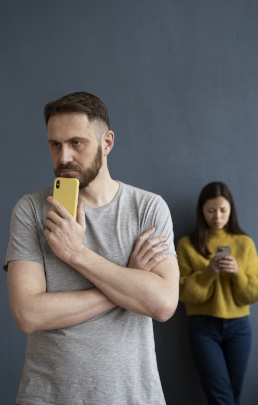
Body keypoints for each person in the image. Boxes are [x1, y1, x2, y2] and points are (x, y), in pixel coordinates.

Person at [4, 91, 180, 405]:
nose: (63, 158)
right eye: (55, 145)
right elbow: (27, 314)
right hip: (48, 397)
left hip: (132, 396)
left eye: (76, 143)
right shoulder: (30, 210)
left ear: (107, 142)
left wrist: (77, 253)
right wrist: (126, 282)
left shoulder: (148, 208)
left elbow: (163, 304)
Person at [177, 181, 258, 405]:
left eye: (223, 210)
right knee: (221, 396)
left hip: (239, 327)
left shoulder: (244, 243)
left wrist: (237, 273)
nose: (217, 216)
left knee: (233, 395)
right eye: (211, 210)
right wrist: (209, 272)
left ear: (230, 210)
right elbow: (182, 294)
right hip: (203, 328)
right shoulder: (187, 245)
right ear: (202, 211)